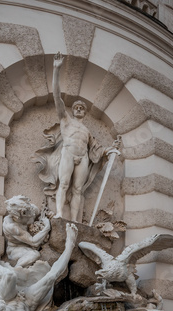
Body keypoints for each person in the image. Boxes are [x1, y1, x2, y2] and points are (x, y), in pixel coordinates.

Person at [49, 52, 118, 222]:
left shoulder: (87, 131)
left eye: (82, 108)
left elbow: (97, 150)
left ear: (85, 112)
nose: (79, 109)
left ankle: (74, 221)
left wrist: (111, 149)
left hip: (83, 157)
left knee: (78, 190)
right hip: (68, 152)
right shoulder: (65, 120)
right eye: (77, 107)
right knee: (64, 184)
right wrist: (56, 69)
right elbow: (56, 96)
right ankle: (58, 213)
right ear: (72, 110)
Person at [2, 195, 51, 267]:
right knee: (33, 255)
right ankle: (16, 271)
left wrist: (49, 214)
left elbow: (41, 213)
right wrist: (47, 227)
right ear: (22, 214)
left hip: (31, 242)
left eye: (30, 209)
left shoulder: (30, 209)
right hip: (16, 248)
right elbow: (34, 242)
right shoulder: (11, 226)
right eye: (29, 213)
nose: (32, 214)